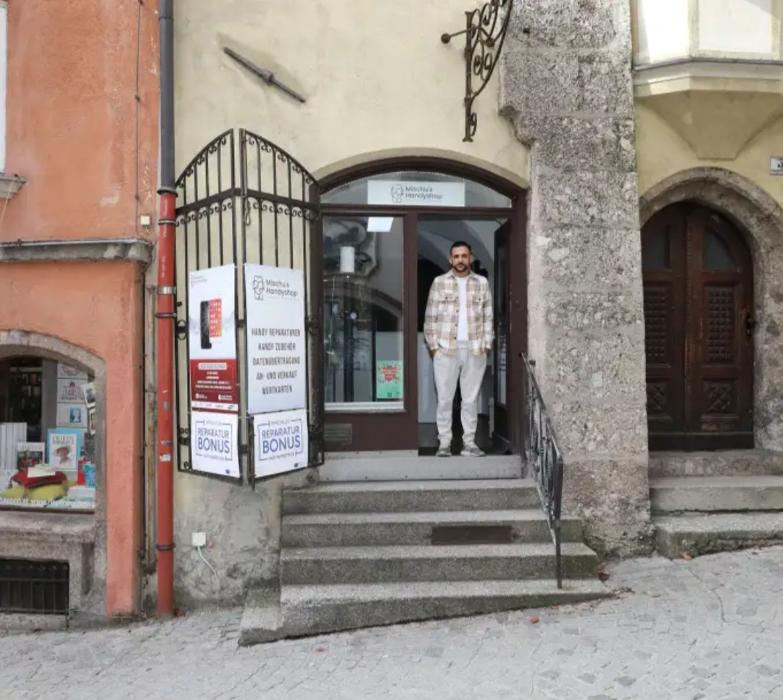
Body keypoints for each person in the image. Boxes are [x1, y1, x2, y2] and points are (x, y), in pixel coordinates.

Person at [424, 241, 493, 457]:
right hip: (446, 349)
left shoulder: (481, 283)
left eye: (464, 256)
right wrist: (435, 347)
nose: (460, 260)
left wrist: (486, 345)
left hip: (474, 349)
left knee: (470, 400)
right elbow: (430, 317)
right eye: (456, 256)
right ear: (450, 259)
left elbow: (488, 316)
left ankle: (469, 443)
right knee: (445, 398)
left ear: (470, 258)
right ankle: (444, 443)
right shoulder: (439, 282)